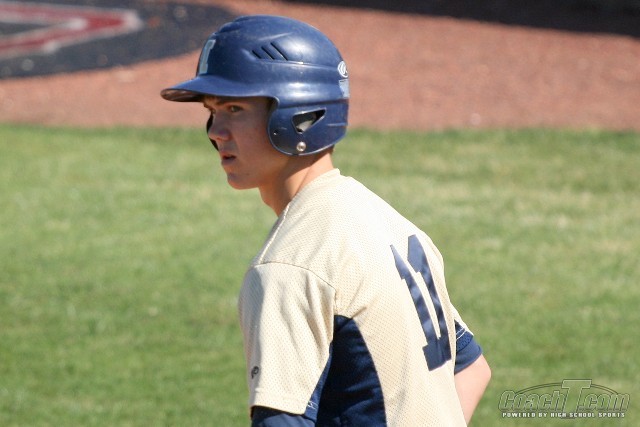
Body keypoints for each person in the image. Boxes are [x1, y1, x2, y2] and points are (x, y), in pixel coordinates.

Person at [161, 15, 491, 426]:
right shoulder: (390, 222)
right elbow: (471, 370)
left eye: (234, 109)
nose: (216, 131)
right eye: (212, 111)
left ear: (298, 114)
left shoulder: (289, 266)